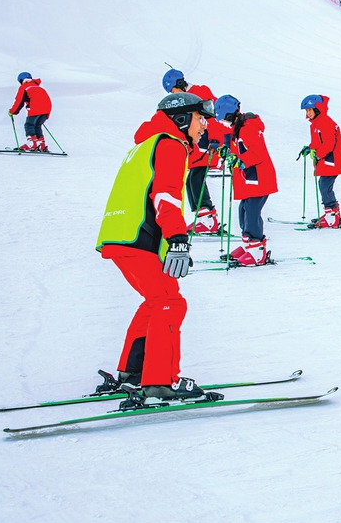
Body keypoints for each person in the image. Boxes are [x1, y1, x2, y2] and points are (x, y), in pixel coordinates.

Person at [95, 92, 216, 404]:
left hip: (119, 237)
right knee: (170, 303)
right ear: (181, 118)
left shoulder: (144, 145)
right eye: (200, 119)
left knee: (155, 301)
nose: (203, 126)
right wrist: (178, 239)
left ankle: (132, 372)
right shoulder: (170, 145)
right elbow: (165, 197)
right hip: (140, 239)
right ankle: (161, 381)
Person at [214, 94, 278, 266]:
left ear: (228, 114)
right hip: (250, 179)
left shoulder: (247, 128)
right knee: (243, 210)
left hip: (259, 179)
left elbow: (256, 153)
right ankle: (248, 244)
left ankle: (257, 251)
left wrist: (240, 161)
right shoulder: (238, 129)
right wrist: (228, 153)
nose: (222, 123)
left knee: (251, 212)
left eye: (222, 119)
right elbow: (239, 150)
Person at [162, 69, 221, 235]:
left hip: (209, 144)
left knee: (196, 178)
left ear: (180, 84)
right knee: (190, 180)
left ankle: (209, 219)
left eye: (175, 91)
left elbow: (213, 117)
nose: (175, 96)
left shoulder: (200, 93)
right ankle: (203, 217)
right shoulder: (186, 99)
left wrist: (215, 140)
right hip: (198, 145)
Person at [298, 94, 341, 229]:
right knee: (323, 184)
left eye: (310, 110)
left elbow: (329, 144)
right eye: (306, 111)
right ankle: (331, 214)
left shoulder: (325, 122)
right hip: (327, 160)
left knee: (325, 185)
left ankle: (332, 218)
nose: (308, 113)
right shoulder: (316, 123)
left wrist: (318, 155)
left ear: (317, 109)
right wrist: (310, 148)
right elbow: (318, 142)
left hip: (332, 160)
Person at [9, 72, 53, 152]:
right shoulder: (38, 87)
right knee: (37, 125)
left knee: (29, 124)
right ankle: (41, 145)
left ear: (21, 80)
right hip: (47, 108)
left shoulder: (24, 87)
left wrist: (12, 111)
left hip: (36, 107)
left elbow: (19, 101)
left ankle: (32, 144)